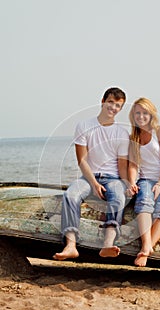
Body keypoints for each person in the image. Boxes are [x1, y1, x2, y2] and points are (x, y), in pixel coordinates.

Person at [53, 87, 129, 260]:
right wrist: (94, 184)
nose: (113, 108)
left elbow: (122, 166)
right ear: (102, 101)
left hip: (113, 179)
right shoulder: (84, 126)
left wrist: (129, 183)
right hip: (88, 177)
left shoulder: (122, 133)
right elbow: (82, 161)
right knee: (71, 195)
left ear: (121, 109)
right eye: (110, 102)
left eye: (118, 105)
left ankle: (108, 244)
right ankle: (71, 245)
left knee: (118, 197)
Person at [127, 97, 160, 267]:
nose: (141, 116)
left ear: (151, 114)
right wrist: (131, 182)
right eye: (137, 113)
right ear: (133, 115)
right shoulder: (133, 137)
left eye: (144, 113)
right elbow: (134, 165)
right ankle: (147, 245)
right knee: (143, 203)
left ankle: (146, 249)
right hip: (146, 180)